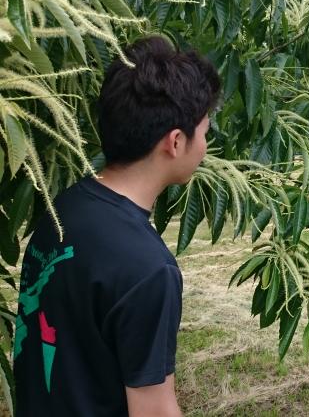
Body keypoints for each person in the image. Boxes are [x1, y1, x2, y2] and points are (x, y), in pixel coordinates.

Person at [13, 36, 220, 416]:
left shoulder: (62, 211)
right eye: (205, 130)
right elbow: (154, 410)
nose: (206, 142)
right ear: (175, 142)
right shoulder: (149, 270)